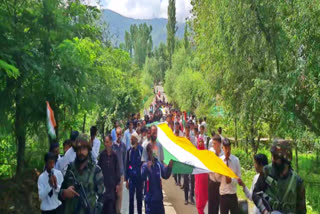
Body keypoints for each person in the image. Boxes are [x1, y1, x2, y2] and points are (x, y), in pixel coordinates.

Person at [252, 140, 306, 214]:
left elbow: (302, 210)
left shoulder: (297, 182)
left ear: (285, 160)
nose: (272, 159)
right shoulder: (266, 172)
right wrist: (264, 210)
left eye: (276, 157)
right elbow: (255, 193)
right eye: (272, 156)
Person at [59, 134, 105, 213]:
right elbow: (60, 192)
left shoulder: (96, 170)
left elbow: (102, 196)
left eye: (84, 148)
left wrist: (96, 211)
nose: (81, 152)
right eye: (78, 149)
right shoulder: (70, 168)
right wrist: (64, 193)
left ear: (88, 149)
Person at [141, 143, 173, 214]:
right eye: (154, 150)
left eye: (156, 150)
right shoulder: (145, 165)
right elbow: (142, 177)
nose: (156, 152)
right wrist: (147, 168)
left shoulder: (158, 164)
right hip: (150, 202)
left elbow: (165, 175)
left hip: (159, 200)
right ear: (149, 152)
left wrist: (169, 167)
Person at [217, 138, 241, 214]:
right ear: (222, 148)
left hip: (233, 194)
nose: (227, 151)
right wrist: (221, 173)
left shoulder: (236, 160)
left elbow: (239, 177)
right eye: (226, 148)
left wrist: (231, 180)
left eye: (229, 148)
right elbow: (217, 178)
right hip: (223, 195)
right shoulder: (220, 161)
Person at [98, 135, 120, 214]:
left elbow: (117, 170)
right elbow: (98, 169)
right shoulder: (101, 155)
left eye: (107, 142)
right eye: (105, 142)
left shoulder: (114, 156)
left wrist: (117, 184)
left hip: (112, 187)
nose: (106, 144)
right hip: (103, 187)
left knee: (111, 209)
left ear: (111, 143)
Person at [125, 132, 144, 214]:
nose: (131, 140)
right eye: (131, 138)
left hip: (139, 180)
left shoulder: (141, 150)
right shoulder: (129, 151)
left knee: (139, 199)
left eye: (132, 138)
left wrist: (143, 178)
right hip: (131, 179)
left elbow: (144, 164)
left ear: (136, 139)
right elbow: (127, 165)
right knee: (131, 200)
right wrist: (126, 179)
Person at [208, 134, 224, 214]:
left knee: (217, 205)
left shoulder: (223, 155)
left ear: (219, 144)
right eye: (213, 143)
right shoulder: (211, 151)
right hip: (211, 181)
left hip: (219, 183)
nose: (213, 145)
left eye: (215, 143)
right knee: (211, 204)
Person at [112, 127, 127, 214]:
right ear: (115, 134)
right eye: (117, 134)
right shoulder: (112, 146)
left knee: (120, 194)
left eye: (120, 134)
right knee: (113, 193)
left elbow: (125, 159)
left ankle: (118, 211)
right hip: (113, 173)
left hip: (121, 173)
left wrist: (125, 174)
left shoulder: (123, 146)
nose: (119, 136)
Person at [195, 137, 208, 214]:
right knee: (199, 195)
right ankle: (200, 211)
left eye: (201, 141)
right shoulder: (196, 152)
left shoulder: (206, 152)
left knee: (206, 195)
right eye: (199, 141)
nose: (200, 143)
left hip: (206, 177)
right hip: (198, 177)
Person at [183, 124, 195, 205]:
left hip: (192, 161)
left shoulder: (193, 138)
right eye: (186, 130)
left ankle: (192, 197)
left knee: (192, 180)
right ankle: (186, 198)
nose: (187, 131)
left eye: (188, 130)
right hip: (184, 161)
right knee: (186, 180)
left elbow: (195, 148)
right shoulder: (183, 138)